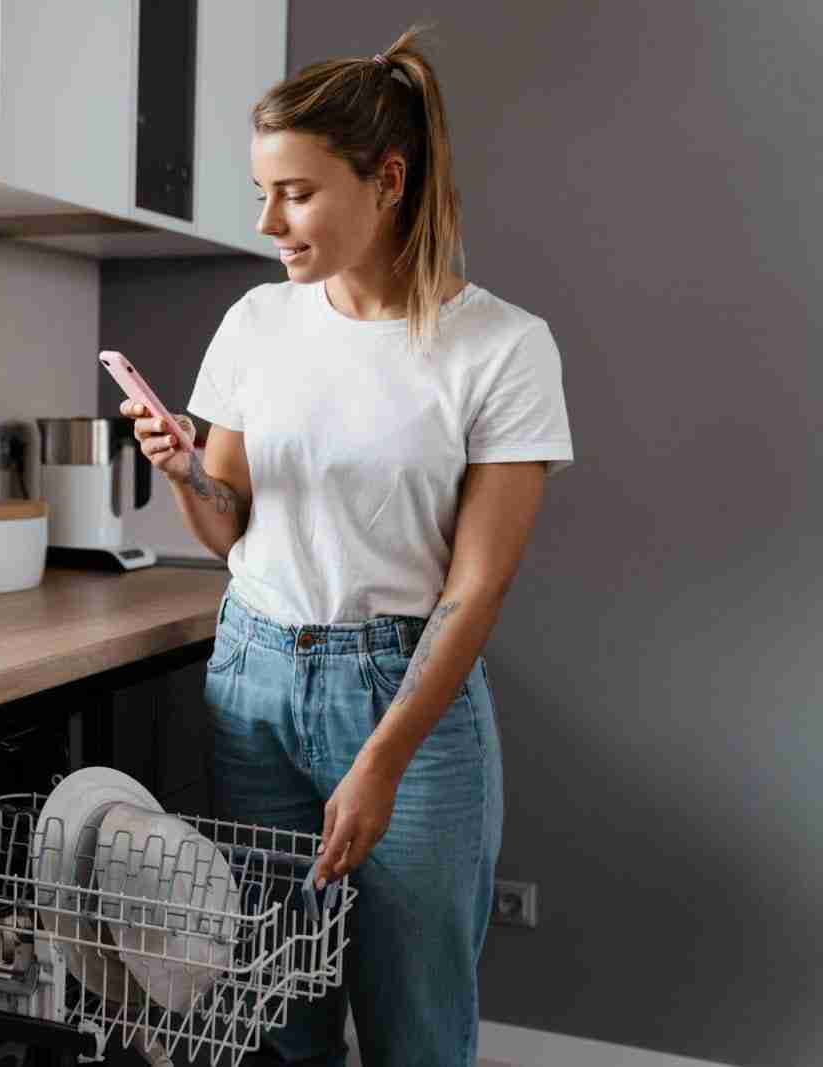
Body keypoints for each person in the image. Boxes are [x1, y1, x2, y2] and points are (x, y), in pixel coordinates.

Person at [121, 24, 574, 1067]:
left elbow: (476, 586)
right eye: (261, 190)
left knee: (415, 1018)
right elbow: (230, 526)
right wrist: (187, 472)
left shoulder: (502, 347)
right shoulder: (254, 322)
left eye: (296, 191)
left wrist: (381, 759)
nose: (267, 219)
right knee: (279, 1009)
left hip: (402, 691)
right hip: (254, 671)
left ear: (388, 181)